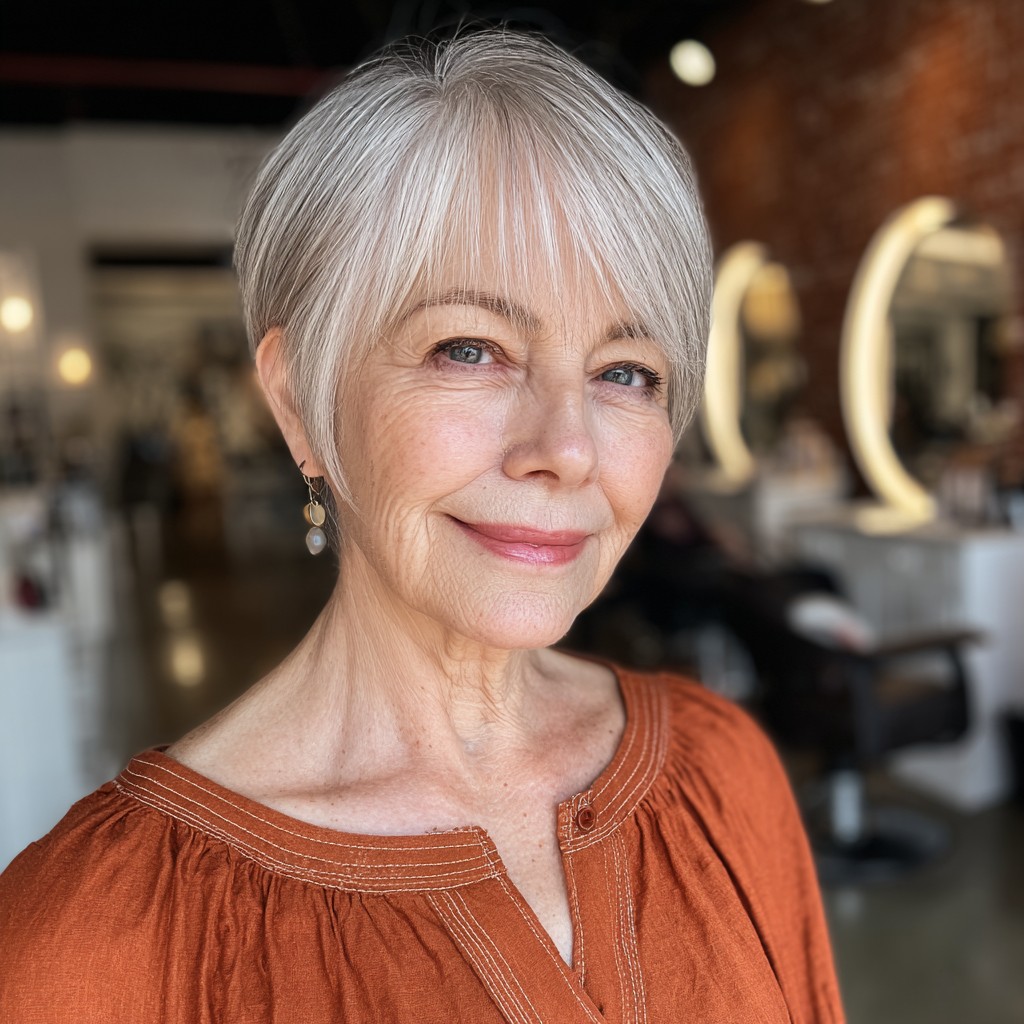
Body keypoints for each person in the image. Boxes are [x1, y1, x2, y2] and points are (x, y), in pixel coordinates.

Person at [0, 29, 845, 1023]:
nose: (566, 447)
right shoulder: (94, 939)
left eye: (626, 371)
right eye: (469, 349)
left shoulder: (724, 771)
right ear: (299, 401)